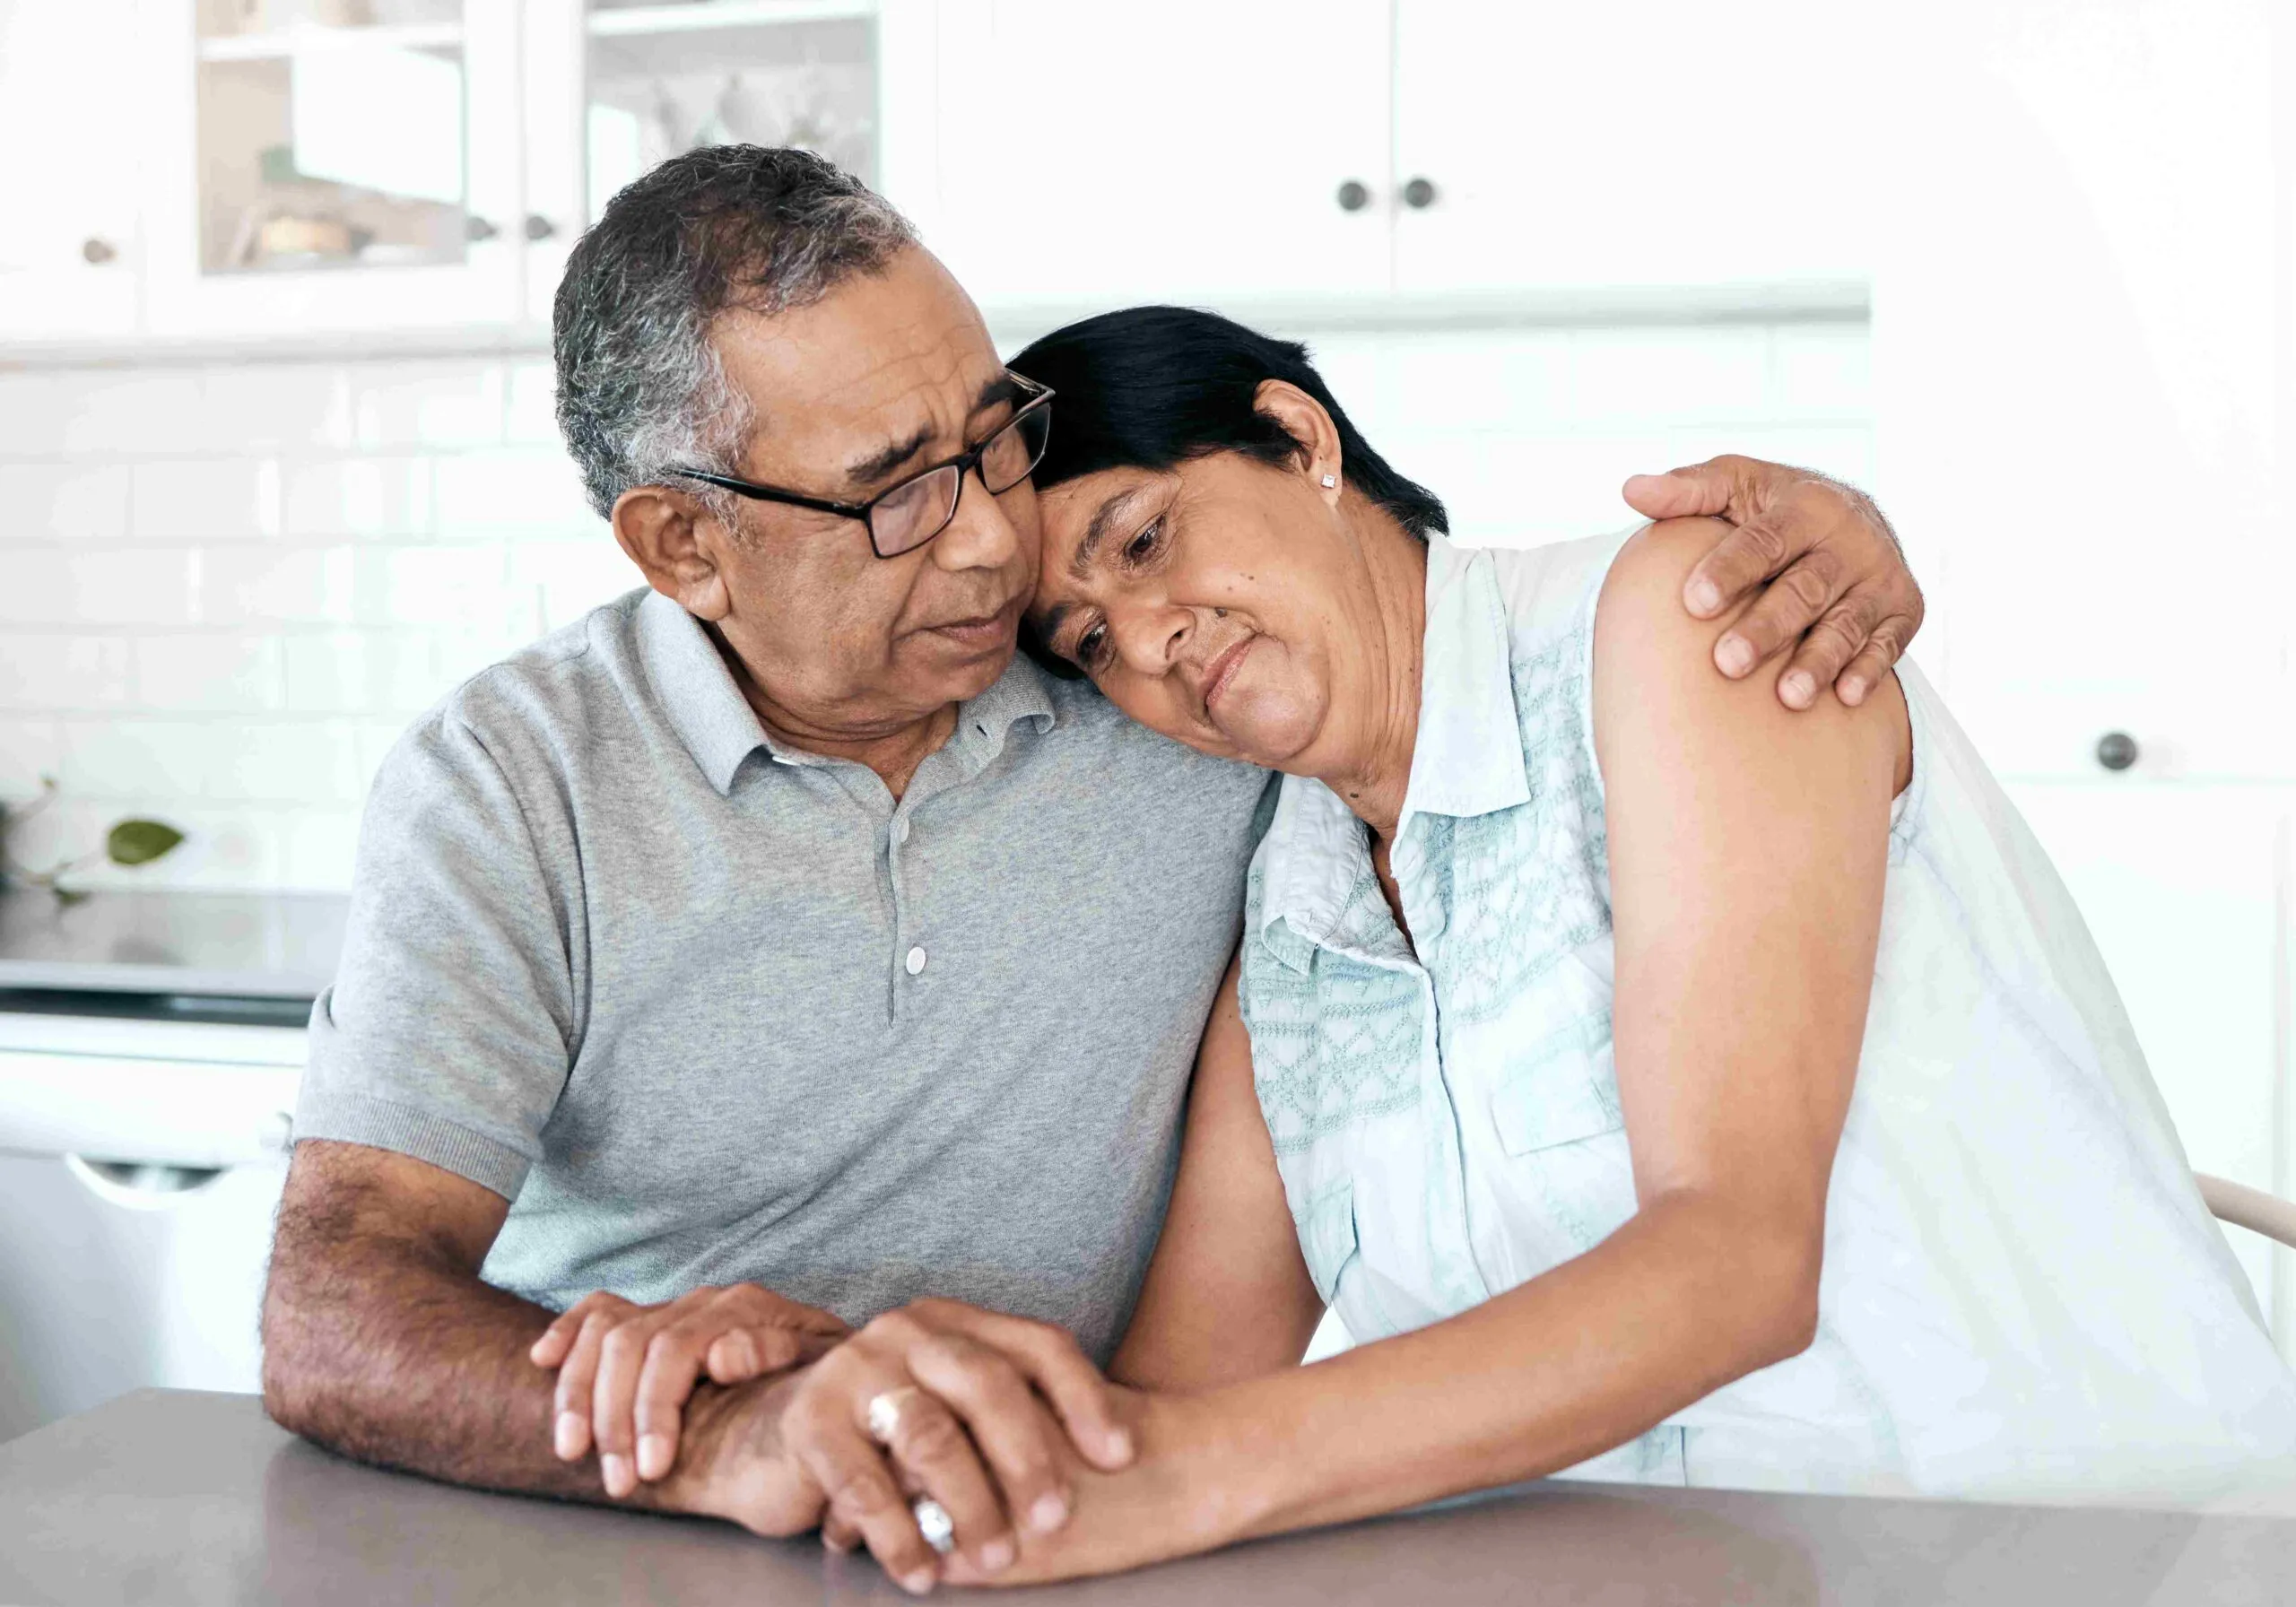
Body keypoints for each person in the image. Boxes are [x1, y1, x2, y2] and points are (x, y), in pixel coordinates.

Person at [260, 147, 1925, 1595]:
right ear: (686, 544)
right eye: (894, 496)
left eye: (991, 438)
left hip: (1028, 1530)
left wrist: (1797, 547)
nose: (996, 540)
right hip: (620, 1534)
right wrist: (737, 1430)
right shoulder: (512, 778)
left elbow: (1391, 623)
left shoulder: (1167, 711)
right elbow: (331, 1311)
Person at [548, 303, 2296, 1588]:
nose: (1148, 641)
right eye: (1085, 640)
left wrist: (1175, 1474)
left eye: (1143, 537)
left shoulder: (1678, 616)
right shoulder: (1292, 896)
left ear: (1297, 439)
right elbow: (1160, 1398)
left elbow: (1733, 1257)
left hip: (2078, 1553)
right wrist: (821, 1379)